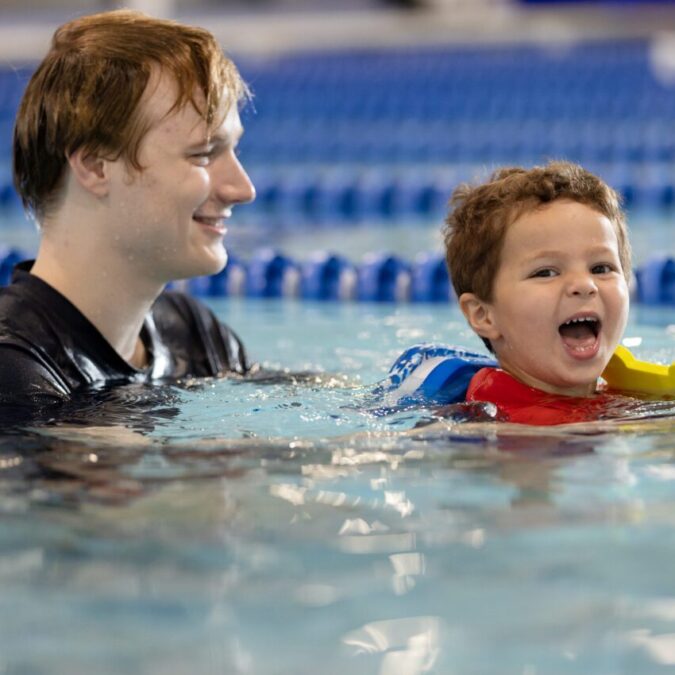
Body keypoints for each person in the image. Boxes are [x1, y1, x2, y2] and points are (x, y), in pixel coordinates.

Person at [0, 10, 256, 422]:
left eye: (233, 151)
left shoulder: (194, 334)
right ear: (97, 166)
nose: (243, 189)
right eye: (203, 154)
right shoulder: (13, 374)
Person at [443, 161, 633, 425]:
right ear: (484, 315)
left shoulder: (622, 397)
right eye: (546, 272)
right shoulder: (498, 423)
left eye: (601, 267)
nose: (584, 284)